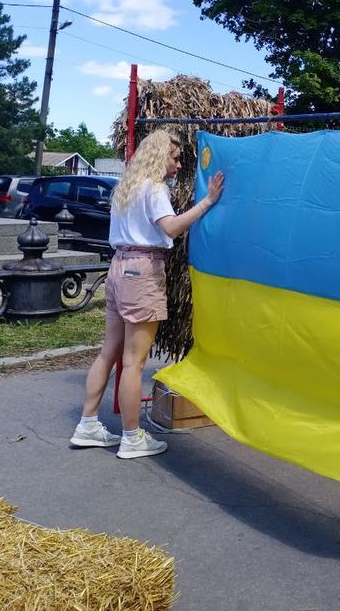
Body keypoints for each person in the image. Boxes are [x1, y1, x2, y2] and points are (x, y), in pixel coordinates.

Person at [70, 130, 225, 459]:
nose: (178, 163)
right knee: (134, 362)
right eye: (174, 157)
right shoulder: (154, 188)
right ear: (159, 156)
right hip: (142, 270)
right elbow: (170, 228)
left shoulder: (125, 187)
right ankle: (132, 437)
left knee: (108, 353)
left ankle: (88, 424)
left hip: (118, 266)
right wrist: (208, 202)